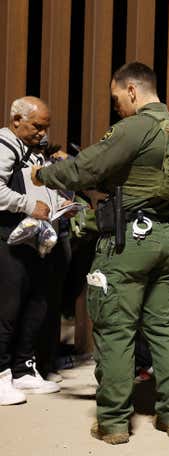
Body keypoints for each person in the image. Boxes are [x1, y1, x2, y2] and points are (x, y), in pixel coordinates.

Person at [31, 62, 169, 443]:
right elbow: (142, 176)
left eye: (117, 98)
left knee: (116, 331)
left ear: (133, 91)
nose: (116, 106)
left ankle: (114, 422)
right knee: (162, 329)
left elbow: (85, 169)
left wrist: (43, 174)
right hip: (165, 237)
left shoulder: (135, 126)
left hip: (128, 241)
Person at [0, 97, 65, 405]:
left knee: (36, 302)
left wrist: (61, 204)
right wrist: (28, 204)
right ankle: (0, 375)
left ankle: (23, 370)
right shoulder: (5, 143)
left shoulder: (33, 150)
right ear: (16, 120)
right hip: (6, 238)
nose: (42, 133)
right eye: (37, 127)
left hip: (32, 238)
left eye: (45, 128)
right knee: (7, 308)